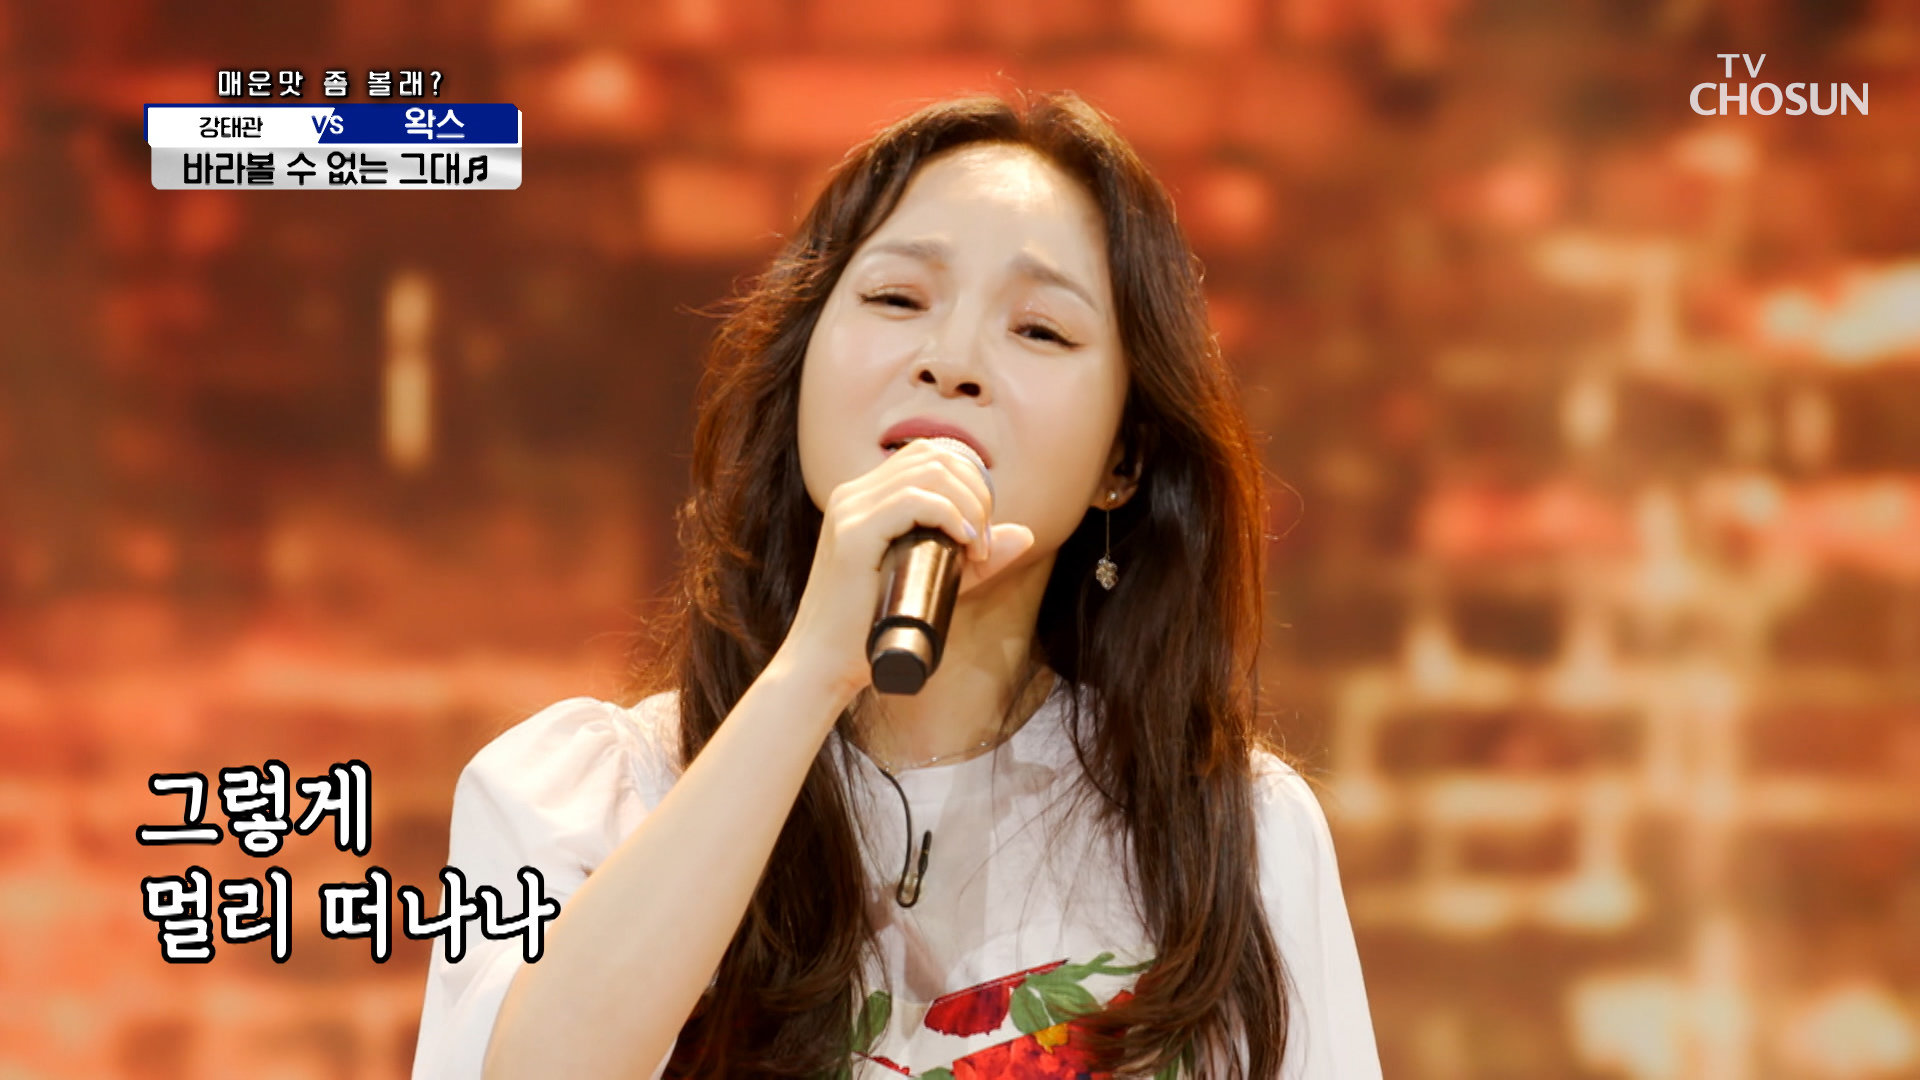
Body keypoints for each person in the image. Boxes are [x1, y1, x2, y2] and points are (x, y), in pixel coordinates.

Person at [410, 89, 1382, 1079]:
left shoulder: (1235, 840)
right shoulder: (586, 804)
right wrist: (811, 673)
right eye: (897, 300)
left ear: (1123, 460)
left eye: (1039, 330)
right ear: (803, 366)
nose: (951, 363)